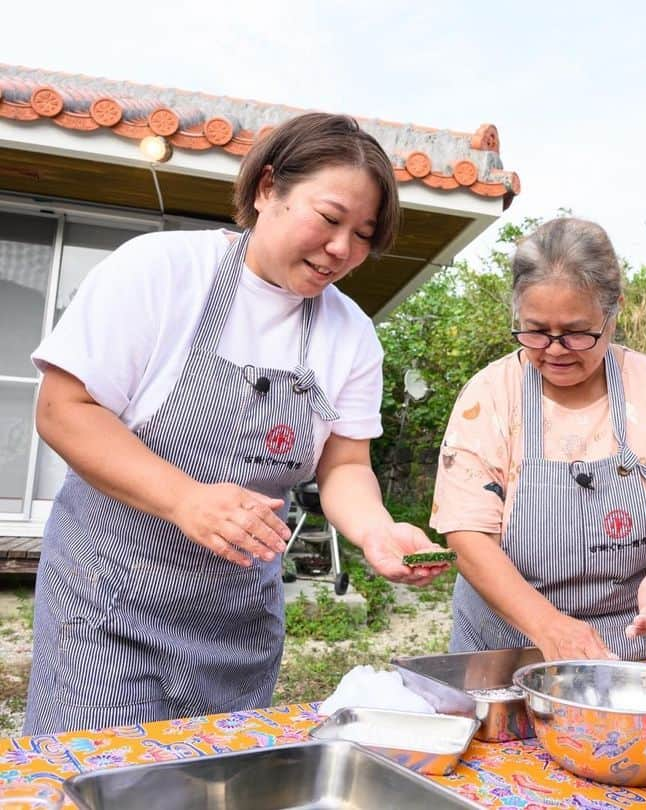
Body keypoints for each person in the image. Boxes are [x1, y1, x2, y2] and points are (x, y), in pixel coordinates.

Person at [24, 113, 449, 734]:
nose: (342, 250)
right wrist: (185, 499)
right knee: (109, 786)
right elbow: (64, 410)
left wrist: (376, 530)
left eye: (363, 236)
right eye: (330, 219)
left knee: (216, 788)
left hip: (236, 624)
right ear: (267, 188)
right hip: (106, 606)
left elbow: (345, 464)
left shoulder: (350, 332)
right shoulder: (161, 271)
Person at [431, 217, 646, 661]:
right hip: (507, 649)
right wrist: (549, 628)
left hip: (632, 647)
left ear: (614, 311)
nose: (556, 349)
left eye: (577, 332)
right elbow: (468, 536)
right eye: (536, 330)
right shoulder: (489, 395)